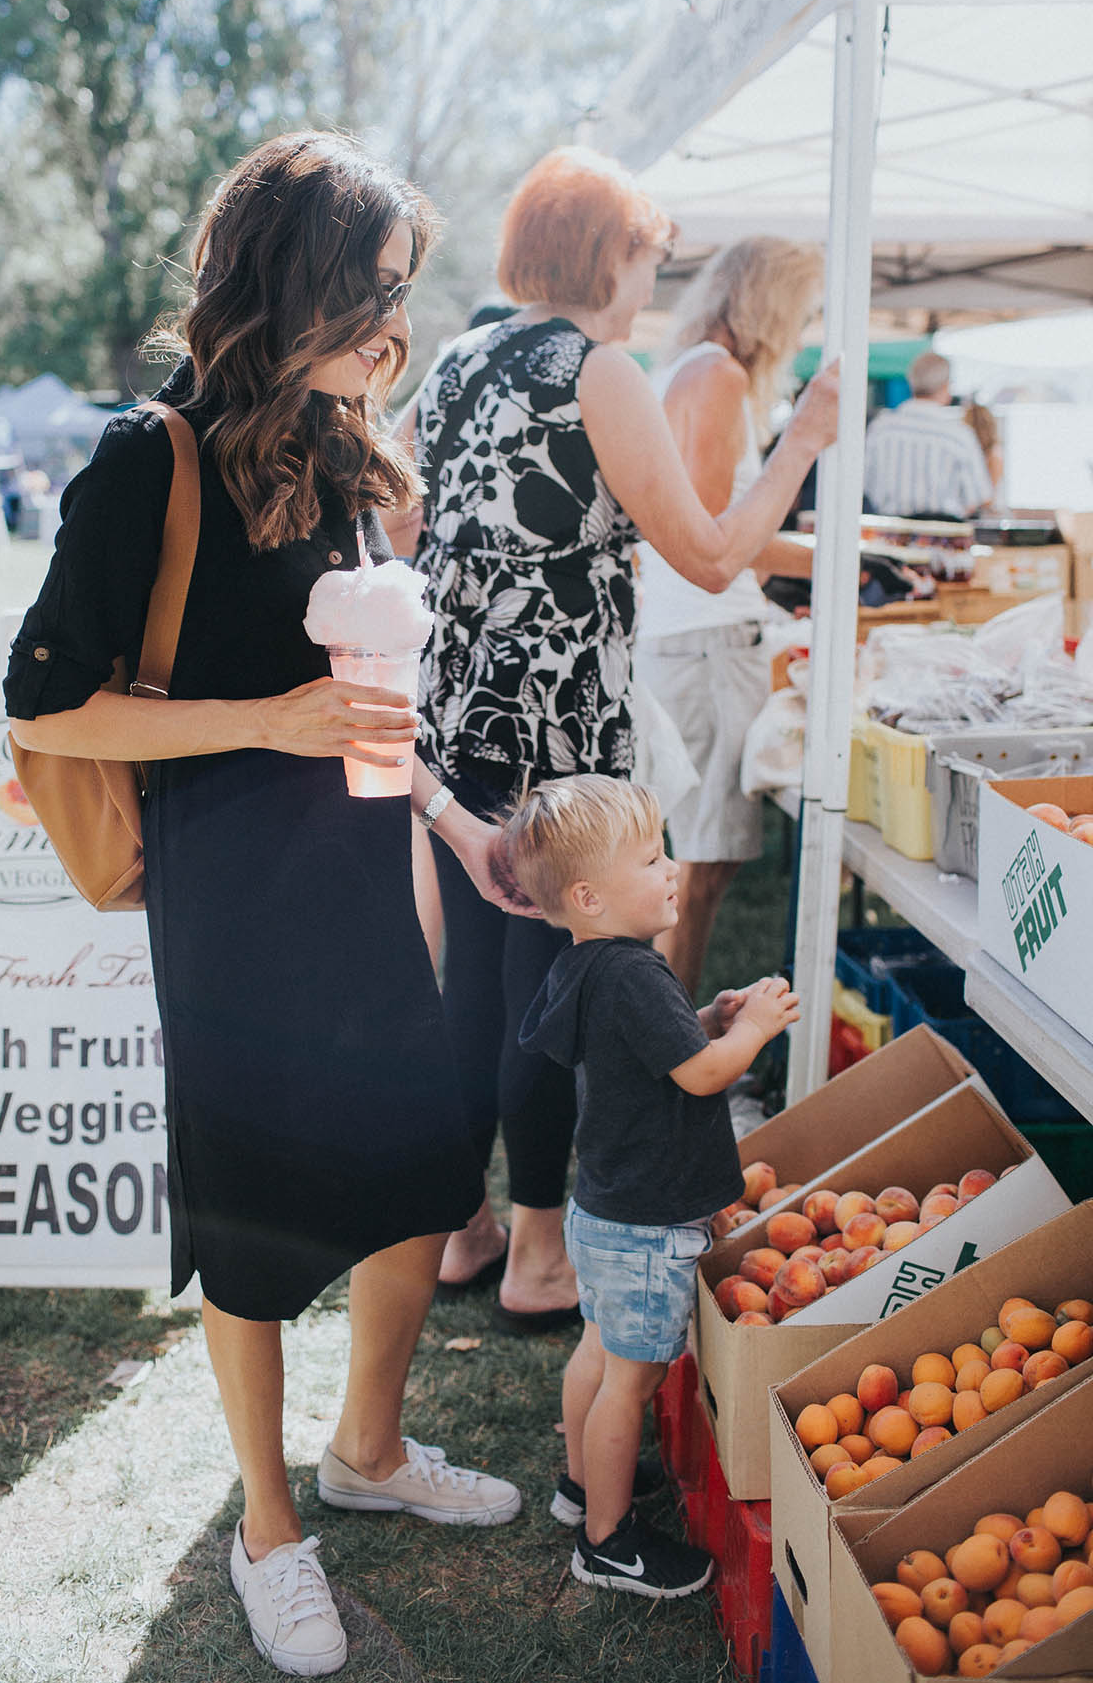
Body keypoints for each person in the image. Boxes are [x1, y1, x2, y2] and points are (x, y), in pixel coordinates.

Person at [5, 133, 522, 1682]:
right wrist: (263, 724)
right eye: (378, 291)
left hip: (372, 866)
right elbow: (48, 706)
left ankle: (371, 1447)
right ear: (298, 282)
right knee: (252, 1208)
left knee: (422, 1169)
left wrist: (450, 819)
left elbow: (364, 697)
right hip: (230, 888)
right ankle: (270, 1524)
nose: (397, 324)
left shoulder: (348, 446)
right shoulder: (143, 458)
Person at [409, 148, 838, 1329]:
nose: (651, 285)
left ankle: (464, 1229)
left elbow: (396, 516)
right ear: (609, 254)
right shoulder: (597, 369)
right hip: (560, 726)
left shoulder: (455, 360)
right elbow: (706, 550)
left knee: (474, 993)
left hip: (457, 719)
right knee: (554, 985)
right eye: (646, 258)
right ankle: (540, 1257)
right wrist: (801, 441)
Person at [504, 775, 798, 1593]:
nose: (673, 870)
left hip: (605, 1207)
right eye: (651, 858)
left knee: (598, 1350)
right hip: (644, 1223)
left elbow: (660, 1052)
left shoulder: (590, 966)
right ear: (591, 895)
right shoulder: (633, 973)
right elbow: (704, 1076)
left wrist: (707, 1017)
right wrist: (754, 1030)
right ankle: (607, 1542)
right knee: (629, 1381)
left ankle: (579, 1485)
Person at [633, 236, 824, 995]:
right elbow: (718, 539)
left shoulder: (687, 369)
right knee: (701, 869)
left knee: (690, 862)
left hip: (687, 639)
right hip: (708, 641)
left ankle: (662, 1037)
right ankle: (672, 1050)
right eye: (803, 311)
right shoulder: (717, 375)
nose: (805, 328)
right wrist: (836, 556)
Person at [862, 349, 993, 520]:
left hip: (890, 536)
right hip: (943, 538)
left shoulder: (880, 428)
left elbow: (864, 485)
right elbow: (979, 497)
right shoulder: (958, 435)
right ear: (946, 386)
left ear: (911, 383)